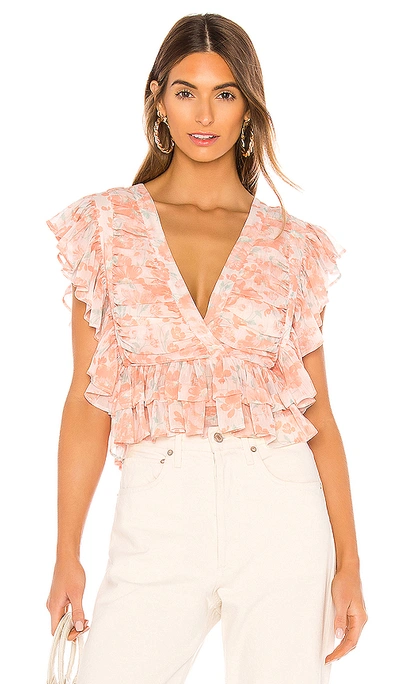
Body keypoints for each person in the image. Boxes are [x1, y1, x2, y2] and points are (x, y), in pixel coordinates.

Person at [45, 12, 367, 684]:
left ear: (248, 108)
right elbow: (86, 400)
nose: (204, 113)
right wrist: (66, 552)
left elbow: (319, 415)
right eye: (185, 90)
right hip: (158, 508)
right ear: (158, 98)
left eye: (224, 94)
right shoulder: (105, 228)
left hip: (280, 508)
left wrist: (350, 564)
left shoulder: (293, 246)